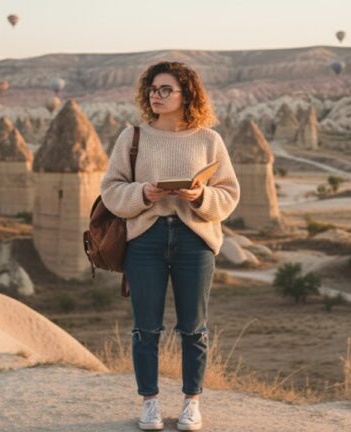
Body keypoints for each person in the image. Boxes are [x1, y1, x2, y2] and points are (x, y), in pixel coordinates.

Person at [100, 61, 240, 431]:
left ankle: (192, 401)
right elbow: (111, 189)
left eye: (165, 90)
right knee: (146, 327)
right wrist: (143, 193)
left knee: (194, 327)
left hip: (195, 239)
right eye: (152, 89)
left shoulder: (209, 140)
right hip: (145, 238)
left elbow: (229, 194)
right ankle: (150, 402)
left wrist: (199, 196)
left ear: (186, 95)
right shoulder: (132, 137)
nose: (156, 96)